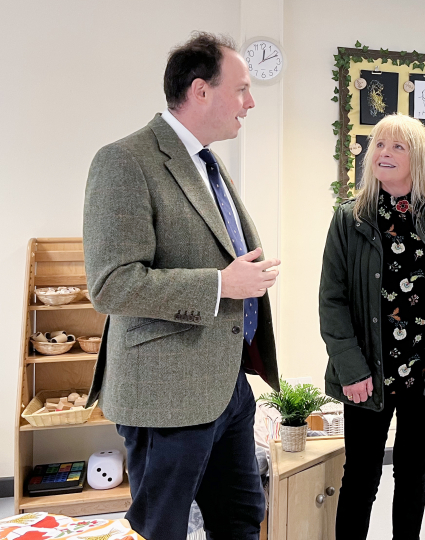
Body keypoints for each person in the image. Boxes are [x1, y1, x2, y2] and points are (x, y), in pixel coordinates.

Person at [83, 32, 280, 540]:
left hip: (228, 386)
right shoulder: (125, 160)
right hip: (166, 393)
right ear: (200, 91)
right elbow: (112, 284)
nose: (250, 102)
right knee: (162, 528)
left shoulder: (208, 162)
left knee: (239, 518)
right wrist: (220, 284)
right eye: (241, 89)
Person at [319, 113, 425, 540]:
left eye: (397, 146)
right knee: (362, 477)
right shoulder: (349, 219)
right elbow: (331, 301)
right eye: (378, 145)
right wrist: (350, 369)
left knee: (412, 473)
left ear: (419, 159)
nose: (384, 153)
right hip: (366, 376)